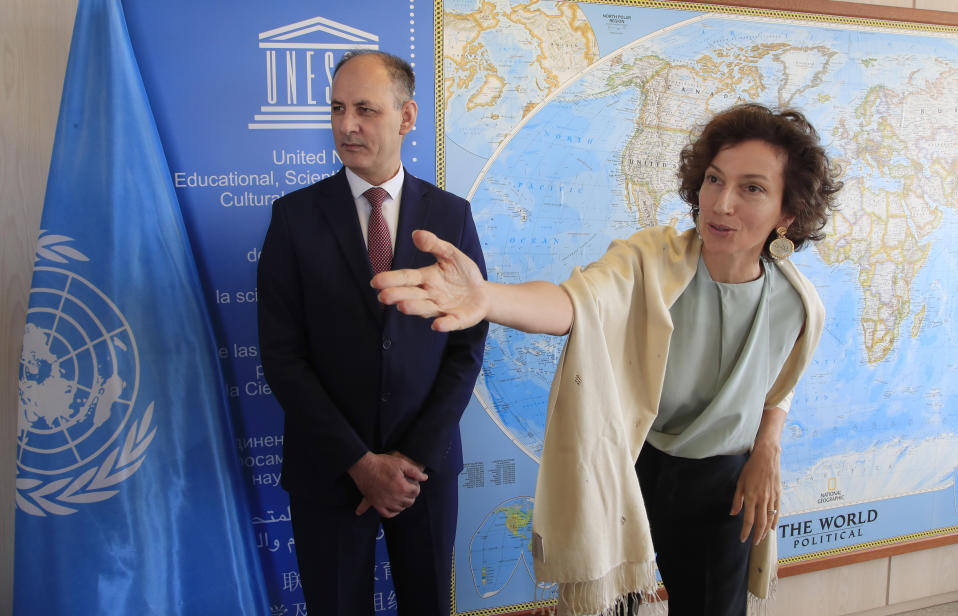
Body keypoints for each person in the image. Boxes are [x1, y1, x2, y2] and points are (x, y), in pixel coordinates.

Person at [372, 103, 842, 616]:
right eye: (713, 179)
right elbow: (576, 303)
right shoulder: (649, 260)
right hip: (633, 462)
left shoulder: (798, 304)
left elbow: (779, 382)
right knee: (607, 608)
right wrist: (488, 298)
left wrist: (767, 446)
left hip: (722, 481)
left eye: (752, 188)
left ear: (787, 213)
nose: (722, 202)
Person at [257, 50, 487, 616]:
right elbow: (283, 356)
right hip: (329, 469)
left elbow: (466, 344)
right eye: (337, 108)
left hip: (424, 472)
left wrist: (411, 459)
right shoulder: (293, 217)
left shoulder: (451, 216)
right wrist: (361, 462)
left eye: (365, 109)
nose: (346, 125)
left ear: (407, 117)